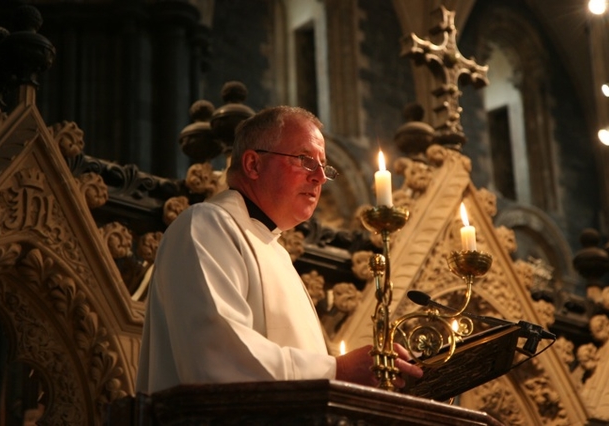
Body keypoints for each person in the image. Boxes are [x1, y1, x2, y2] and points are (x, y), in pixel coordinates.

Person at [136, 105, 422, 394]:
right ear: (253, 165)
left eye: (325, 166)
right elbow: (216, 355)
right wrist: (339, 371)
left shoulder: (277, 252)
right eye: (305, 160)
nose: (320, 177)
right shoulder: (205, 225)